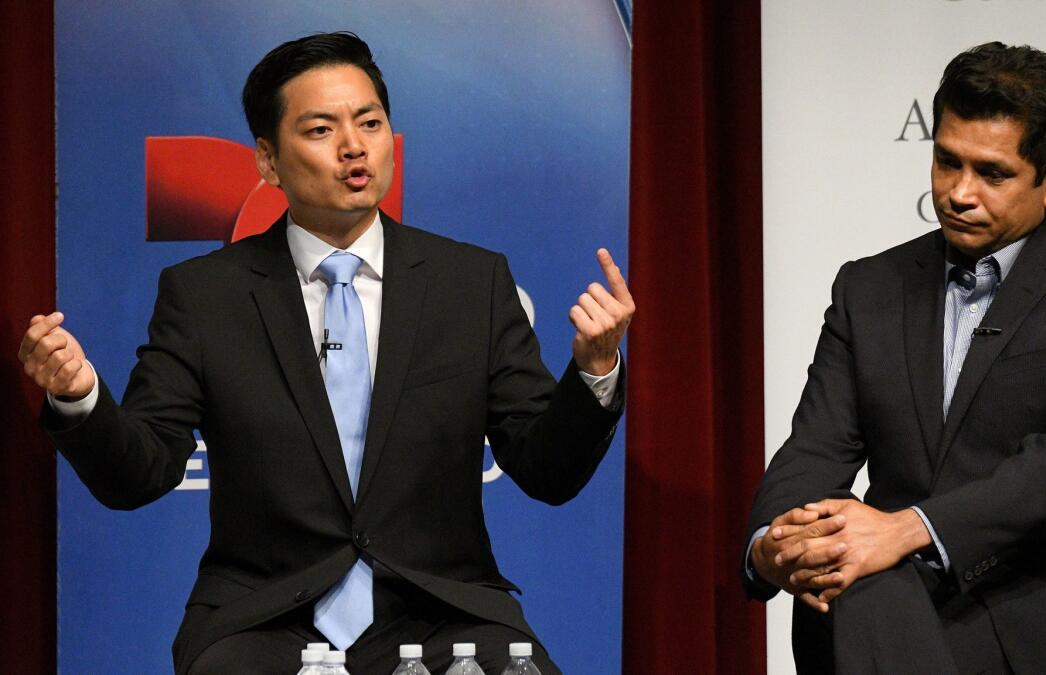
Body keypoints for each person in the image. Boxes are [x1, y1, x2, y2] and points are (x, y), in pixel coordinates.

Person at [19, 32, 634, 675]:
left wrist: (594, 371)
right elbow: (140, 473)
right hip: (262, 620)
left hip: (441, 612)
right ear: (267, 160)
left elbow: (546, 470)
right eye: (320, 129)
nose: (353, 146)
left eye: (369, 122)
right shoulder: (205, 295)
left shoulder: (470, 284)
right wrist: (78, 395)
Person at [743, 42, 1046, 674]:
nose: (959, 193)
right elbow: (815, 448)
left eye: (992, 173)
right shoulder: (869, 288)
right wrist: (778, 544)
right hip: (888, 601)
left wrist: (903, 530)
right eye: (947, 162)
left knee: (864, 585)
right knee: (856, 585)